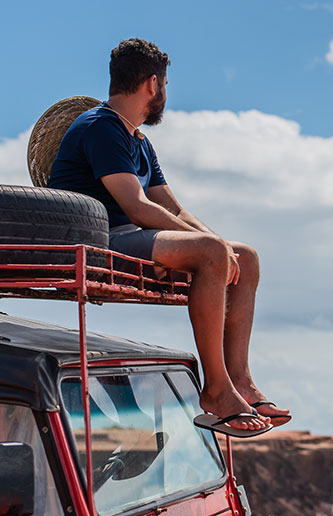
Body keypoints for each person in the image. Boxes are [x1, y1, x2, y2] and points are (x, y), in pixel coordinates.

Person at [48, 38, 290, 437]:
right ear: (152, 84)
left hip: (131, 233)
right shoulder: (101, 127)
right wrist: (212, 250)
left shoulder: (138, 140)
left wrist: (224, 247)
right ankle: (216, 390)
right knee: (213, 253)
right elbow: (138, 206)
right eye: (164, 86)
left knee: (245, 257)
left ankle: (240, 381)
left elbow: (175, 210)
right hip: (99, 238)